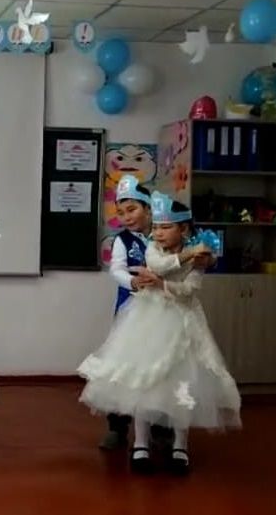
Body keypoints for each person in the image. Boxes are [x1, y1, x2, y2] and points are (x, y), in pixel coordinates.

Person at [78, 191, 240, 475]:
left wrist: (167, 281)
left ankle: (179, 445)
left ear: (183, 229)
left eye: (166, 227)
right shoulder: (151, 246)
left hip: (183, 324)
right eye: (157, 228)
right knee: (141, 378)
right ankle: (138, 442)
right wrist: (187, 256)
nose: (159, 233)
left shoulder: (198, 256)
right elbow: (156, 265)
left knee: (182, 383)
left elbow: (189, 288)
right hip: (147, 320)